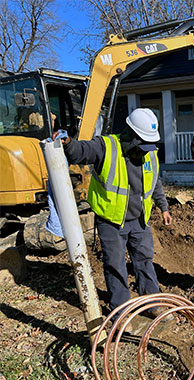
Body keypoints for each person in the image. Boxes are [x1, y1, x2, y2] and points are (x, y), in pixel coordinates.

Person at [55, 108, 172, 320]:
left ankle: (152, 302)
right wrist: (68, 143)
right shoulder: (105, 147)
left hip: (139, 220)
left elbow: (156, 182)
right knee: (115, 264)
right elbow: (80, 151)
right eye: (141, 144)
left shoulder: (150, 152)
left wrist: (163, 207)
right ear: (130, 135)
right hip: (111, 221)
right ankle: (121, 309)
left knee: (144, 261)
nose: (145, 151)